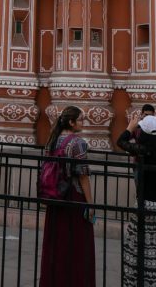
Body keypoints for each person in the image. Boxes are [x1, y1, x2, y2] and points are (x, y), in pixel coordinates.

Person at [117, 113, 156, 287]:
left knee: (137, 246)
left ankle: (137, 281)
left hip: (144, 205)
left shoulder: (145, 150)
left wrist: (129, 129)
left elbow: (120, 143)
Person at [39, 105, 96, 287]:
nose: (82, 123)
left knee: (56, 244)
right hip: (73, 198)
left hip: (55, 197)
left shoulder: (52, 140)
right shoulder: (77, 143)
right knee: (77, 246)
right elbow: (83, 176)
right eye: (80, 120)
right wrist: (91, 204)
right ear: (71, 122)